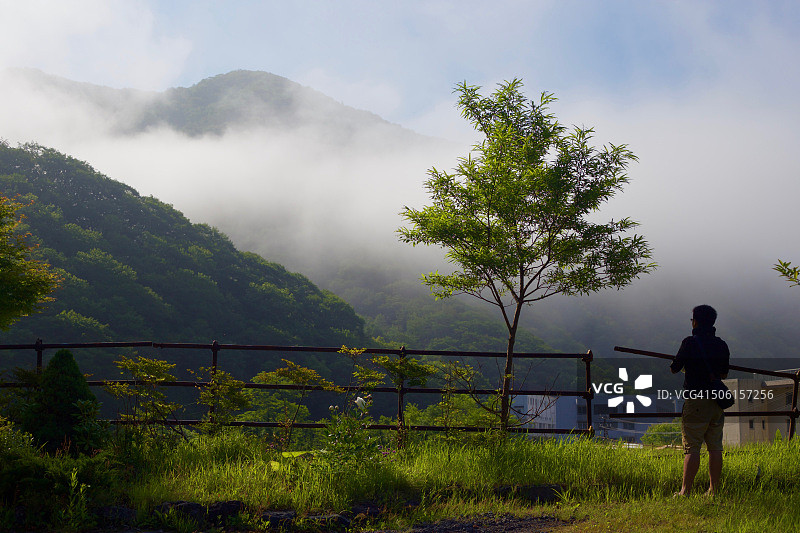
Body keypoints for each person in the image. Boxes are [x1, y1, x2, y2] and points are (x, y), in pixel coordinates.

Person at [670, 304, 730, 496]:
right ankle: (713, 490)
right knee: (715, 447)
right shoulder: (722, 344)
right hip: (716, 401)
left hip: (696, 400)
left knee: (692, 447)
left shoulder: (689, 342)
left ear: (695, 321)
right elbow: (723, 373)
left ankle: (685, 491)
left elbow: (674, 368)